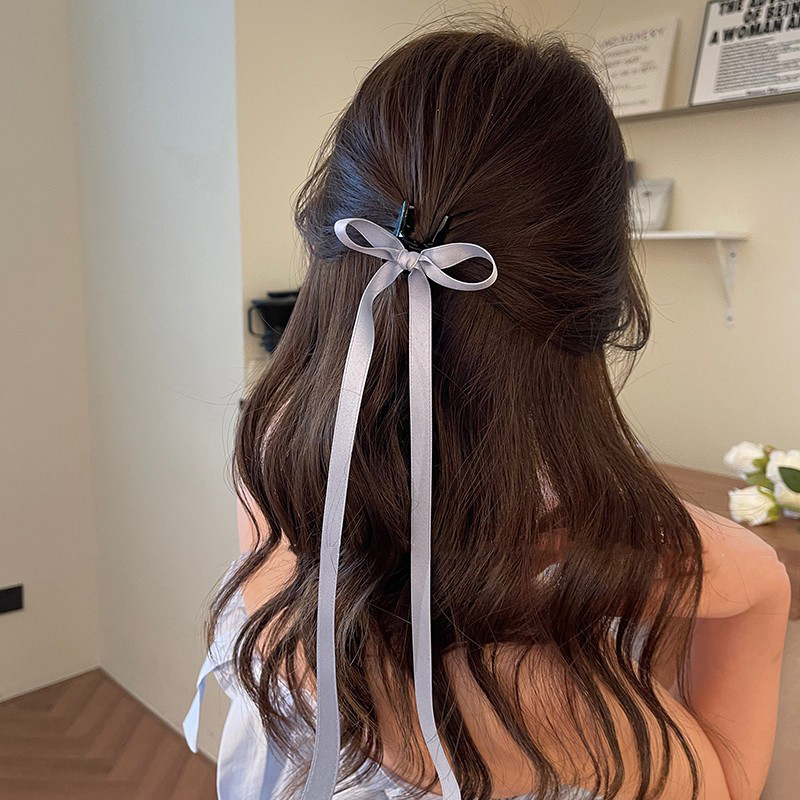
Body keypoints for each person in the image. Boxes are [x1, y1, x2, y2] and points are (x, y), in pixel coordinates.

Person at [183, 16, 790, 800]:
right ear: (601, 300)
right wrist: (762, 589)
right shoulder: (571, 714)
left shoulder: (273, 458)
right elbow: (729, 784)